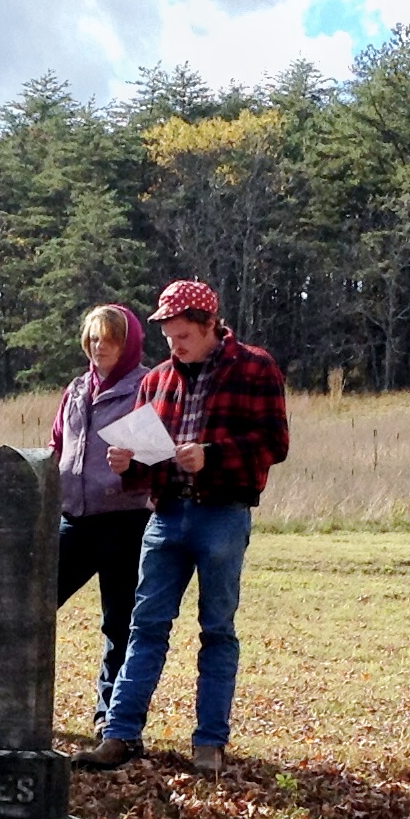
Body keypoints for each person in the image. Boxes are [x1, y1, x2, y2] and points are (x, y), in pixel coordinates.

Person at [73, 280, 290, 777]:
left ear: (211, 326)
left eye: (184, 337)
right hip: (166, 514)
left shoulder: (256, 367)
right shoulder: (157, 381)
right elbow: (148, 464)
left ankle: (209, 744)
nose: (175, 348)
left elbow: (275, 443)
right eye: (169, 339)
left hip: (224, 513)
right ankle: (119, 735)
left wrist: (212, 456)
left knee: (217, 630)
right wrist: (128, 464)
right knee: (144, 627)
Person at [51, 303, 154, 736]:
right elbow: (57, 444)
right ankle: (12, 702)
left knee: (119, 623)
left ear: (127, 344)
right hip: (74, 519)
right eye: (93, 338)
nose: (100, 346)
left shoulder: (146, 385)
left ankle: (109, 719)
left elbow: (156, 455)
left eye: (110, 338)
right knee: (33, 603)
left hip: (125, 522)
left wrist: (132, 463)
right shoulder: (76, 390)